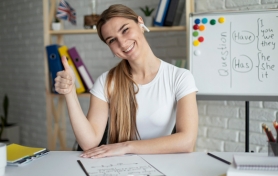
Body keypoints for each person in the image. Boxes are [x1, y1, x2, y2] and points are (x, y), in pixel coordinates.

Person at [54, 4, 198, 159]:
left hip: (161, 166)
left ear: (140, 23)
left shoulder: (180, 77)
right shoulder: (106, 82)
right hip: (119, 167)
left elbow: (187, 141)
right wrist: (70, 93)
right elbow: (89, 143)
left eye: (125, 30)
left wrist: (126, 146)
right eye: (112, 40)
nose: (122, 43)